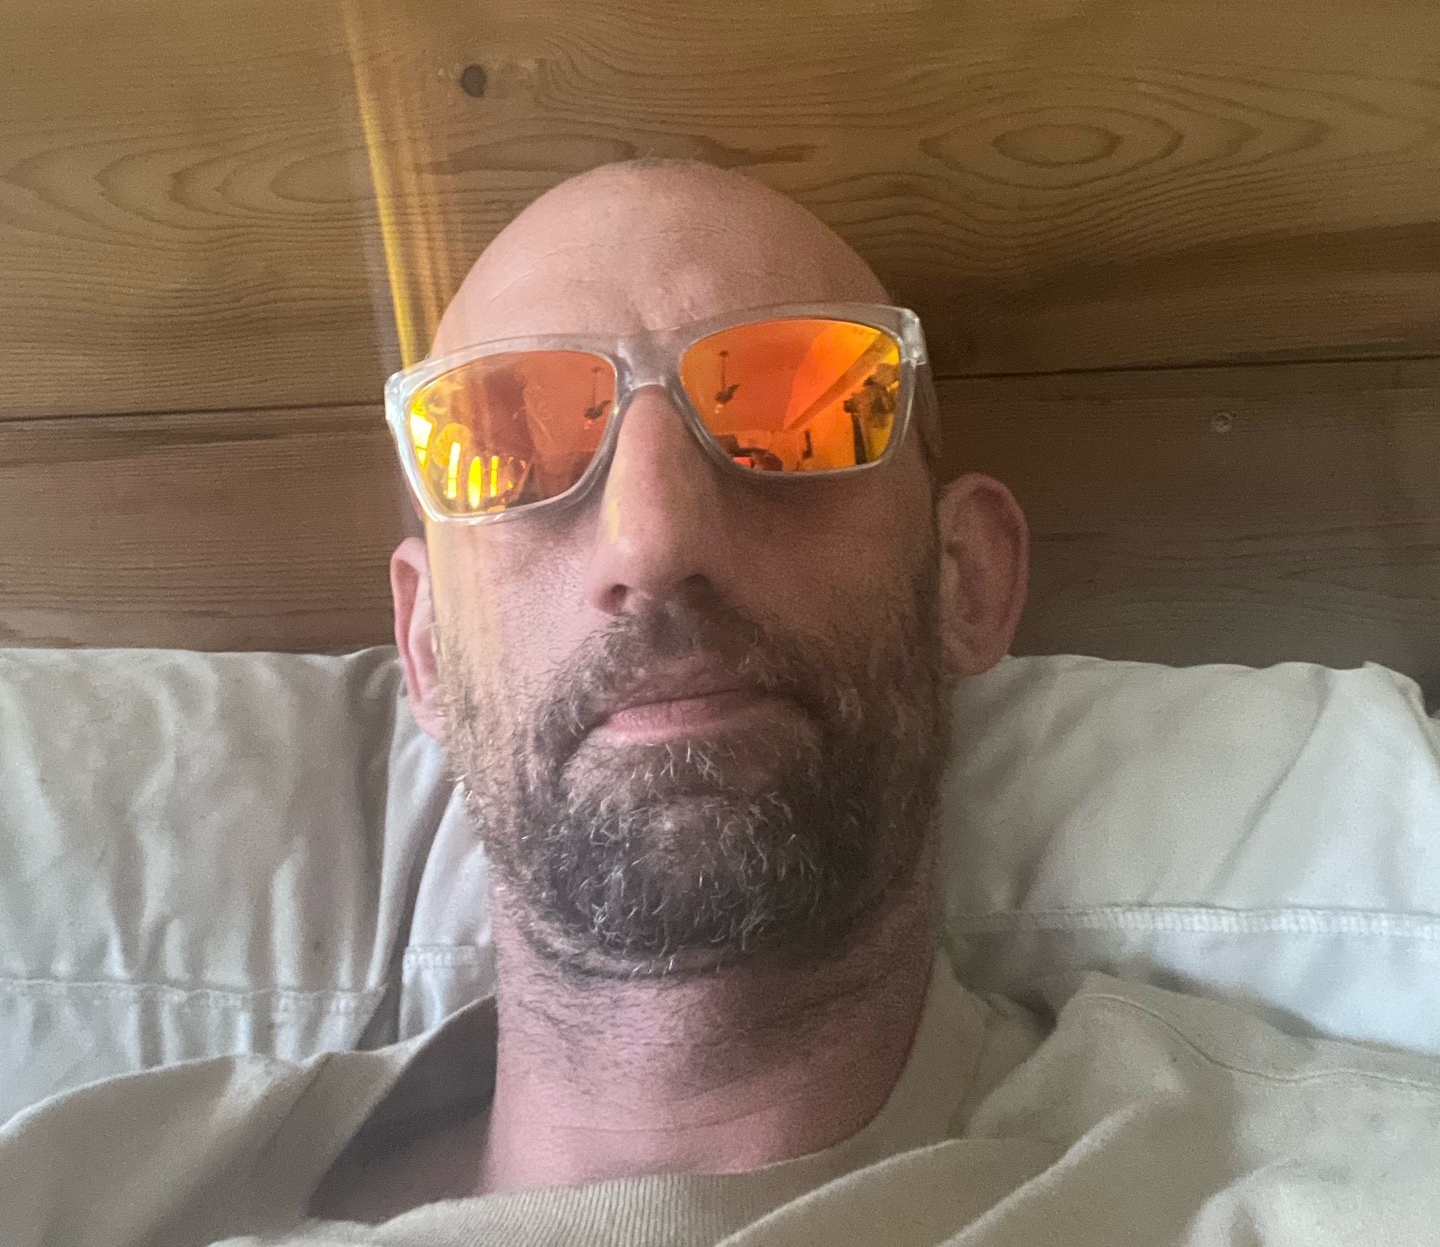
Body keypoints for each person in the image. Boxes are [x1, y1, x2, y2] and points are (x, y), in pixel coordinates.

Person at [3, 158, 1439, 1246]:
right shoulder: (79, 1193)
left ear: (966, 580)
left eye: (796, 406)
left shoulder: (1334, 1193)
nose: (653, 537)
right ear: (427, 649)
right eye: (507, 440)